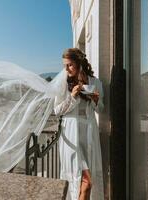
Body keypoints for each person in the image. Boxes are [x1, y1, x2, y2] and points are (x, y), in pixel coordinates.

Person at [54, 48, 104, 200]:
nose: (66, 69)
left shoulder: (95, 82)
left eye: (69, 65)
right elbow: (57, 110)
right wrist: (73, 97)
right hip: (71, 133)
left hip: (89, 133)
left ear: (79, 63)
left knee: (88, 182)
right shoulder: (63, 83)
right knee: (83, 180)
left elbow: (101, 109)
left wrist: (96, 101)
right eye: (65, 65)